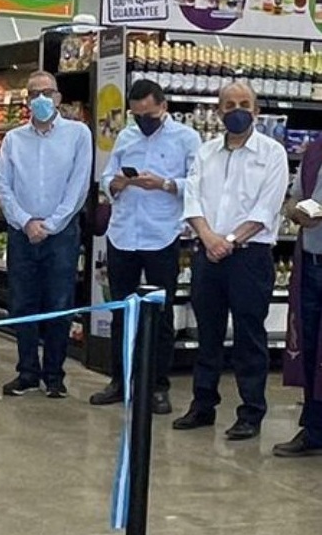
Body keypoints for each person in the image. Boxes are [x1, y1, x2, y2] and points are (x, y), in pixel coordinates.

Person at [176, 80, 288, 441]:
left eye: (244, 104)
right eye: (229, 104)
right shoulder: (205, 152)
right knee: (207, 334)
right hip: (207, 252)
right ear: (219, 110)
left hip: (249, 256)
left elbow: (266, 208)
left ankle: (251, 412)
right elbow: (192, 199)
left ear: (256, 111)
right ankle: (202, 404)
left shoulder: (271, 153)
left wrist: (229, 240)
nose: (236, 110)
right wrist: (209, 238)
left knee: (248, 335)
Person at [91, 79, 201, 415]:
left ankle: (157, 386)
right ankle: (120, 380)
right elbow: (107, 179)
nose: (143, 121)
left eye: (149, 114)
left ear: (163, 106)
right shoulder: (126, 136)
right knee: (122, 311)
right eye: (137, 115)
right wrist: (119, 183)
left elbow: (198, 184)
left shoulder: (186, 138)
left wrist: (165, 184)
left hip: (162, 235)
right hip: (123, 233)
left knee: (160, 314)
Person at [0, 70, 93, 399]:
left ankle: (54, 375)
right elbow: (3, 185)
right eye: (34, 93)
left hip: (61, 233)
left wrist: (51, 224)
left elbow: (78, 186)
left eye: (47, 92)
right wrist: (25, 222)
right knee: (22, 304)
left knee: (59, 303)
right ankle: (26, 372)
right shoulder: (13, 139)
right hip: (22, 232)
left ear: (59, 98)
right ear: (26, 100)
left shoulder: (78, 134)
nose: (41, 99)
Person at [279, 138, 322, 457]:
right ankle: (314, 428)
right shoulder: (315, 149)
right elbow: (292, 199)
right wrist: (297, 212)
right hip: (310, 262)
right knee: (310, 346)